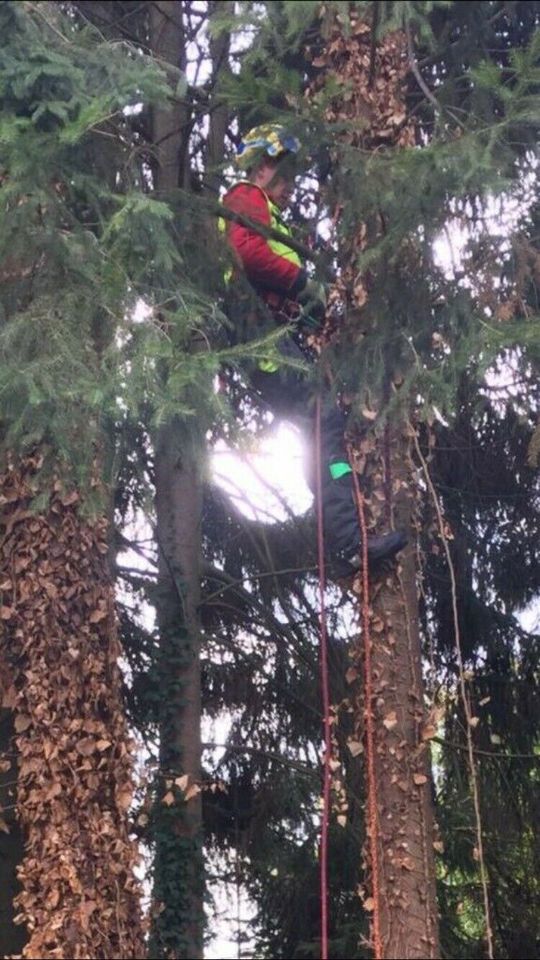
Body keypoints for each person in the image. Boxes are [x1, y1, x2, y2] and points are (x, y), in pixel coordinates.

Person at [221, 123, 406, 574]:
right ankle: (346, 544)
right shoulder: (245, 197)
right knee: (323, 419)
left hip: (268, 333)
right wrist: (305, 284)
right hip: (259, 334)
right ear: (263, 169)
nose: (288, 192)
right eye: (284, 181)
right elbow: (248, 255)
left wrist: (314, 309)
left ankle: (340, 537)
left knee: (319, 434)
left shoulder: (263, 206)